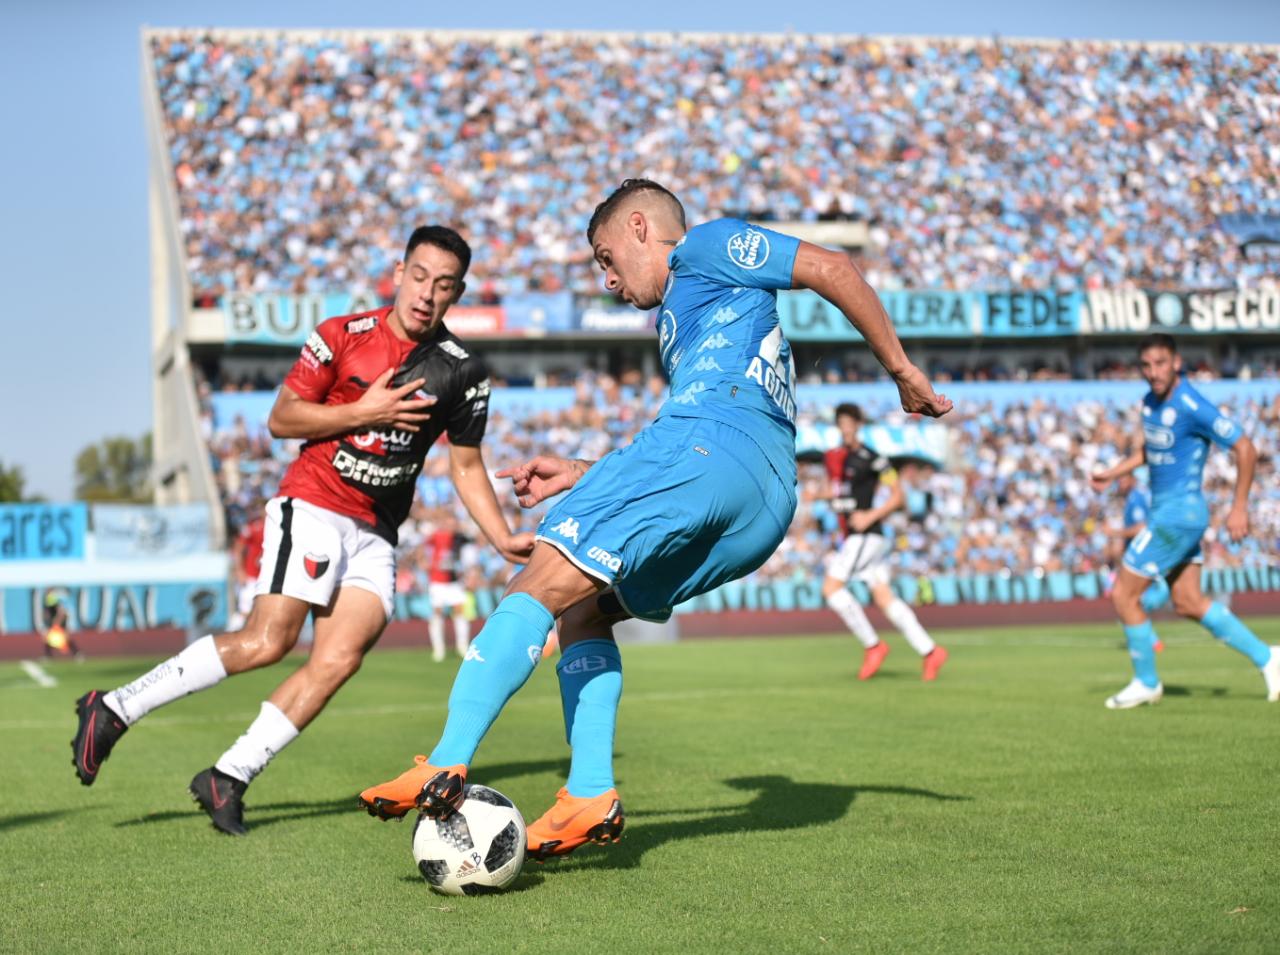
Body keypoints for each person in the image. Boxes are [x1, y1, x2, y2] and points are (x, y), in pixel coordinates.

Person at [357, 179, 952, 860]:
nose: (609, 282)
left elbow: (831, 267)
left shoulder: (705, 245)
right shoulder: (682, 320)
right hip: (761, 497)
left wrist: (901, 368)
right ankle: (589, 792)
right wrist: (586, 472)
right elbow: (689, 450)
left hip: (715, 444)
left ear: (641, 228)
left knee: (540, 577)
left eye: (607, 259)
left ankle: (447, 757)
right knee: (584, 609)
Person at [71, 226, 534, 834]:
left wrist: (501, 537)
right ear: (399, 272)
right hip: (314, 503)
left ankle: (228, 776)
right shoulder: (343, 336)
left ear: (457, 293)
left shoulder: (462, 372)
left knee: (340, 658)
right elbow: (281, 418)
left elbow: (466, 464)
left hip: (377, 532)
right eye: (419, 276)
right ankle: (114, 708)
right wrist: (363, 411)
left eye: (442, 285)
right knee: (269, 641)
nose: (426, 293)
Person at [1090, 334, 1279, 709]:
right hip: (1172, 514)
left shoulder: (1192, 404)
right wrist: (1114, 472)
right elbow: (1153, 447)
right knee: (1189, 602)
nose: (1153, 372)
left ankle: (1146, 682)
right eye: (1146, 365)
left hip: (1178, 514)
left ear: (1176, 363)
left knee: (1124, 594)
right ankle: (1270, 658)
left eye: (1161, 363)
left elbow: (1245, 447)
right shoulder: (1149, 403)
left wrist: (1239, 506)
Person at [821, 403, 948, 681]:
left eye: (849, 422)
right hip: (856, 537)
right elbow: (836, 494)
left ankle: (873, 645)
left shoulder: (873, 459)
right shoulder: (835, 458)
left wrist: (870, 515)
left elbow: (897, 496)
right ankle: (931, 651)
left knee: (831, 589)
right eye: (841, 422)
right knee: (884, 597)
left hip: (866, 535)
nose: (845, 427)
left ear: (857, 425)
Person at [424, 514, 476, 662]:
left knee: (459, 611)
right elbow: (424, 548)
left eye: (453, 523)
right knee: (438, 613)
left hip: (454, 582)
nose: (451, 526)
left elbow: (471, 549)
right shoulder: (436, 537)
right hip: (438, 581)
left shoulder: (459, 538)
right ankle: (438, 649)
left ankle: (462, 647)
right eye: (449, 523)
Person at [42, 589, 82, 660]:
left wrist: (56, 623)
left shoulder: (53, 599)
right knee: (48, 639)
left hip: (59, 623)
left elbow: (61, 612)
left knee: (64, 638)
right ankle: (48, 655)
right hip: (56, 623)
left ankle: (77, 653)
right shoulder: (49, 599)